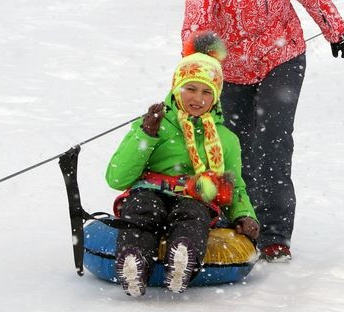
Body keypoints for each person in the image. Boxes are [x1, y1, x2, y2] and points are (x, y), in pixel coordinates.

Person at [182, 0, 344, 262]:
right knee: (233, 145)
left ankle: (275, 232)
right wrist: (194, 61)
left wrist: (335, 29)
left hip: (282, 58)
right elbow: (197, 14)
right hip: (231, 68)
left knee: (273, 140)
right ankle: (240, 222)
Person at [105, 36, 259, 296]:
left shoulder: (226, 139)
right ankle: (133, 261)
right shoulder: (156, 124)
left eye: (206, 91)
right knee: (142, 212)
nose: (197, 98)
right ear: (176, 88)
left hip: (195, 194)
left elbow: (235, 184)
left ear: (216, 96)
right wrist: (145, 134)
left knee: (192, 217)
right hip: (149, 190)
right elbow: (117, 178)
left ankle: (182, 260)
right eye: (191, 88)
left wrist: (244, 215)